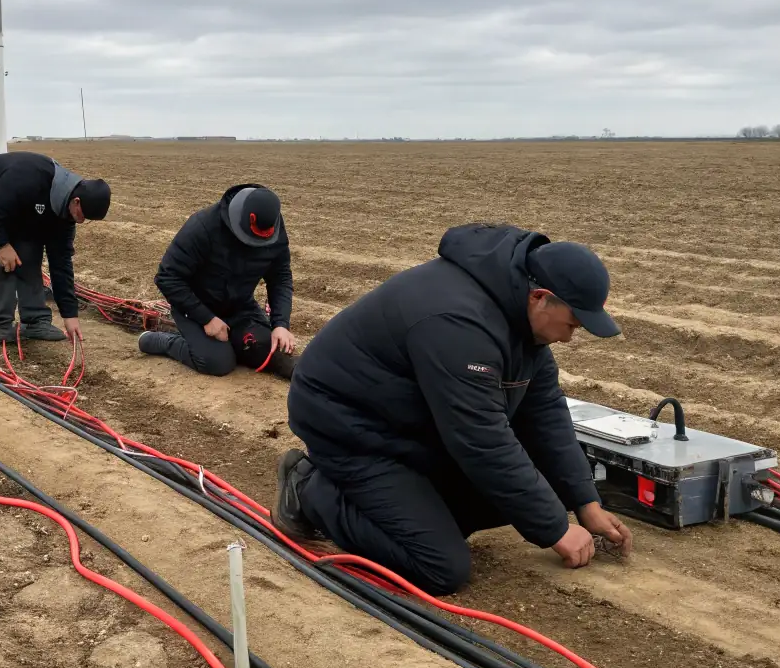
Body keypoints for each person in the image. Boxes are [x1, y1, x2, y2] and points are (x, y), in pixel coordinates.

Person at [271, 222, 632, 595]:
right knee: (440, 566)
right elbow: (481, 440)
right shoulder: (459, 324)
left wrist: (585, 502)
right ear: (540, 297)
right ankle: (311, 489)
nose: (570, 337)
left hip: (407, 420)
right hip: (350, 424)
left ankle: (412, 513)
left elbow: (545, 412)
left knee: (544, 490)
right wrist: (555, 530)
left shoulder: (518, 314)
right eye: (572, 324)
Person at [0, 151, 110, 345]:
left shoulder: (65, 215)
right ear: (77, 201)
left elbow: (61, 263)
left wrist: (70, 314)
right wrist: (0, 244)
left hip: (4, 203)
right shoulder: (29, 180)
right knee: (1, 254)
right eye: (83, 215)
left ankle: (35, 321)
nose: (81, 221)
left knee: (30, 249)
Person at [138, 184, 298, 379]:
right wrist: (206, 318)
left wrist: (281, 324)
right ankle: (165, 341)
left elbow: (280, 277)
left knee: (266, 347)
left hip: (240, 306)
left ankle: (233, 344)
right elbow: (167, 277)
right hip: (196, 307)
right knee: (217, 362)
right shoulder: (203, 226)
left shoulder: (274, 229)